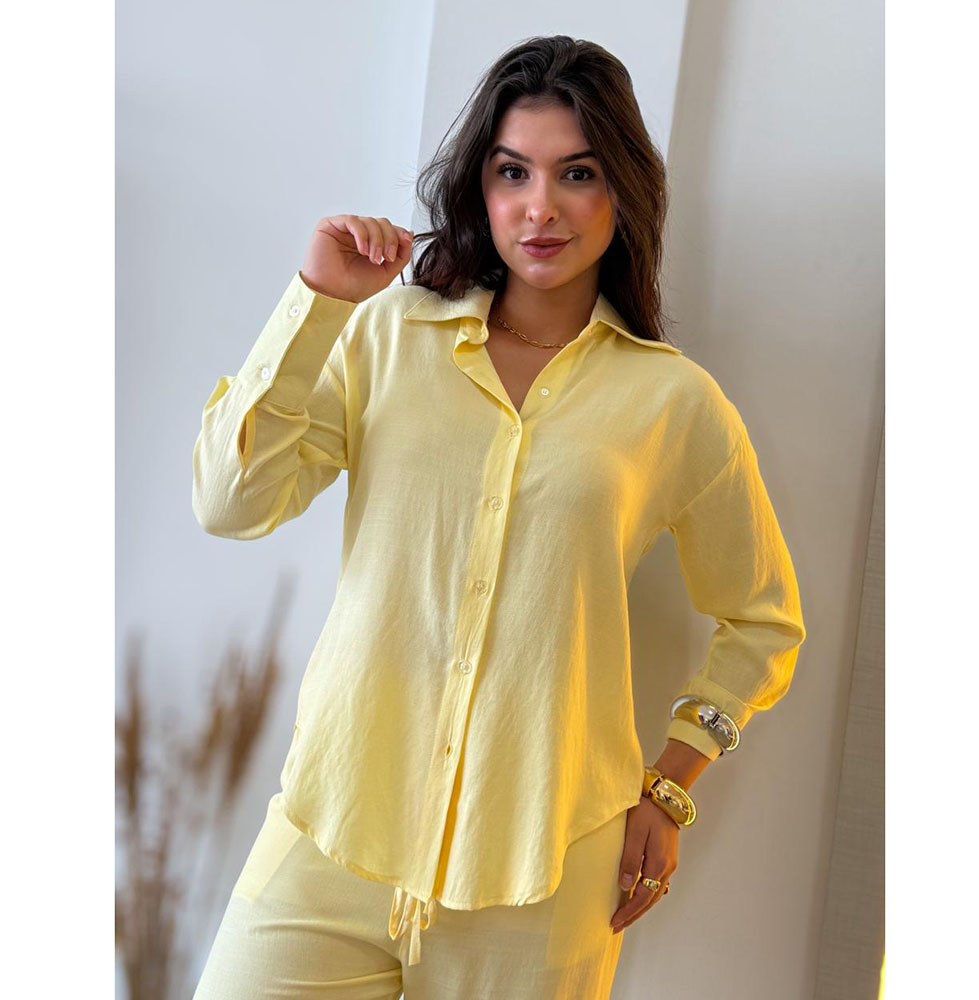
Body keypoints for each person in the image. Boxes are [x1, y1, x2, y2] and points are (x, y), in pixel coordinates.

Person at [190, 34, 806, 1000]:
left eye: (577, 173)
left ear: (623, 191)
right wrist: (317, 304)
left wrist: (671, 787)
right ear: (480, 185)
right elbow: (232, 504)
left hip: (545, 873)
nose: (540, 206)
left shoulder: (676, 404)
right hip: (334, 831)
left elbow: (763, 619)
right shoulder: (389, 335)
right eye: (513, 171)